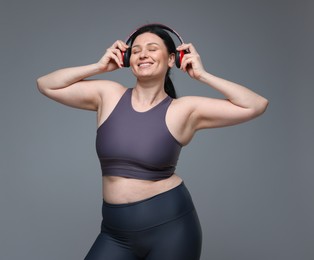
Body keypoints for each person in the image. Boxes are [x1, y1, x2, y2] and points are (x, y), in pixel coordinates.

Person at [36, 24, 268, 260]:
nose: (143, 54)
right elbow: (46, 84)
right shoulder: (108, 94)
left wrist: (202, 75)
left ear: (171, 60)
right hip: (115, 233)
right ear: (127, 59)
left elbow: (256, 104)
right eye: (135, 51)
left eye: (152, 49)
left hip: (171, 230)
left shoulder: (184, 110)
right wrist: (98, 67)